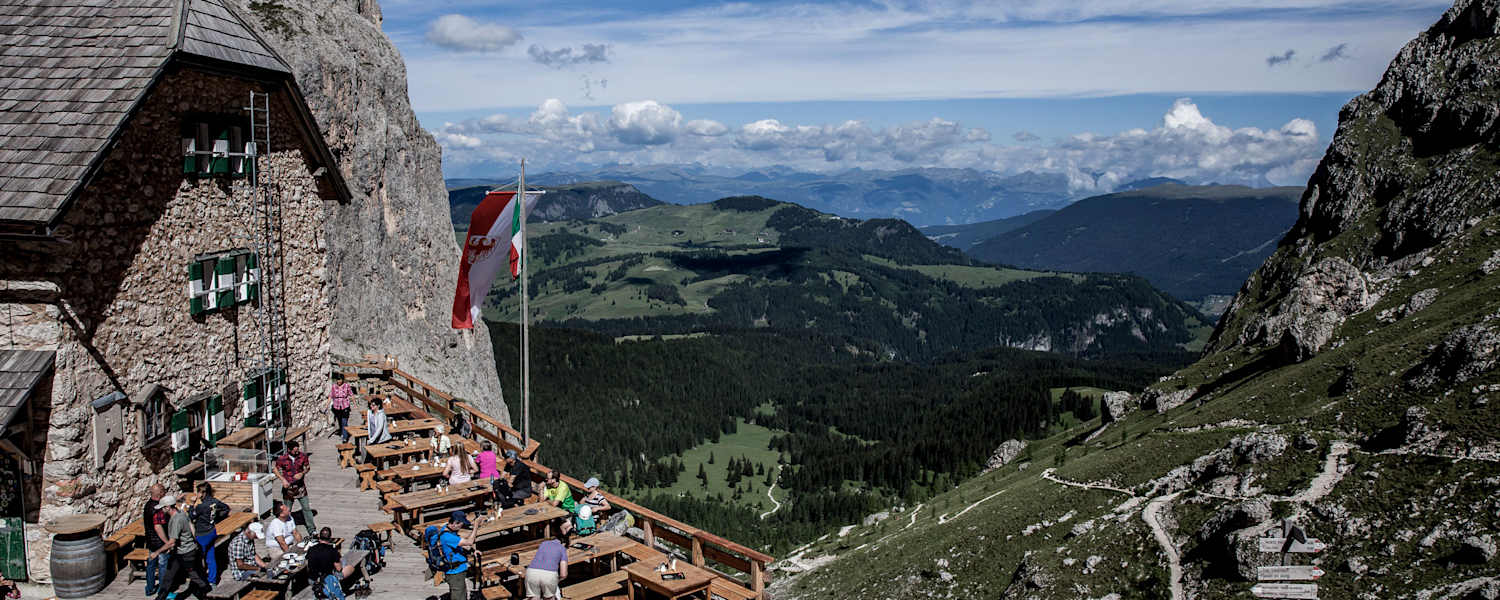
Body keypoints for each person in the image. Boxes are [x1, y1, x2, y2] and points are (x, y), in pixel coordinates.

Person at [151, 495, 211, 600]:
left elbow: (172, 542)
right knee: (169, 575)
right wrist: (193, 540)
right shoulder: (182, 513)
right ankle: (161, 596)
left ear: (168, 507)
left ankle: (205, 591)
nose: (161, 510)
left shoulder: (176, 520)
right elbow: (191, 526)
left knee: (194, 575)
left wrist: (157, 552)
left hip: (186, 553)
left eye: (162, 508)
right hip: (181, 551)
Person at [189, 482, 231, 585]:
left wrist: (191, 505)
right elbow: (226, 508)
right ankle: (212, 580)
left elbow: (191, 516)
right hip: (212, 531)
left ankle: (201, 581)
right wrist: (218, 517)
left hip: (202, 534)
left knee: (199, 558)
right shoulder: (214, 501)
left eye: (197, 492)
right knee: (210, 557)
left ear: (202, 493)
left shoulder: (201, 506)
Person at [523, 521, 571, 600]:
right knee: (549, 597)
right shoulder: (562, 549)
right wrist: (556, 580)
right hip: (549, 575)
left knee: (534, 598)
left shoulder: (544, 544)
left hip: (531, 572)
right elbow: (563, 574)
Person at [436, 511, 478, 600]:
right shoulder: (448, 536)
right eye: (461, 525)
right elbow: (469, 542)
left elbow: (461, 544)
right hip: (455, 572)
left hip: (457, 570)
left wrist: (472, 550)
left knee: (461, 593)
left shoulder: (447, 529)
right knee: (459, 596)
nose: (461, 527)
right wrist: (476, 526)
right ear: (455, 523)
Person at [275, 441, 316, 531]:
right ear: (289, 450)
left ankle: (311, 529)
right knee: (286, 510)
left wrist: (302, 473)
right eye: (294, 451)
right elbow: (275, 469)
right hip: (288, 488)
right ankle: (285, 528)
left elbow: (307, 467)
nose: (297, 452)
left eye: (297, 450)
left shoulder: (302, 456)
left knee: (306, 508)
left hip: (300, 487)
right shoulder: (282, 459)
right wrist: (283, 480)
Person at [307, 527, 356, 600]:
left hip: (313, 579)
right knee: (350, 567)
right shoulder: (332, 550)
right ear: (330, 538)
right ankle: (343, 586)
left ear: (319, 537)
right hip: (327, 578)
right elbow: (339, 568)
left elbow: (308, 566)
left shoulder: (311, 549)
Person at [143, 483, 169, 596]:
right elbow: (158, 527)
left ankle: (149, 588)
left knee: (151, 565)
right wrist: (167, 542)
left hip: (150, 540)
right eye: (164, 491)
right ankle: (162, 591)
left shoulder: (147, 505)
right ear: (160, 494)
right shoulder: (157, 509)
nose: (165, 493)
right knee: (163, 565)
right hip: (159, 542)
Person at [330, 374, 354, 443]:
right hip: (337, 406)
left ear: (342, 380)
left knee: (344, 421)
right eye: (338, 379)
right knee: (340, 421)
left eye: (340, 379)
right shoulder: (334, 387)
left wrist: (355, 405)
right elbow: (330, 396)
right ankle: (343, 432)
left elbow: (351, 394)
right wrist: (326, 406)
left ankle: (345, 437)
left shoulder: (346, 386)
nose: (339, 381)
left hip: (345, 405)